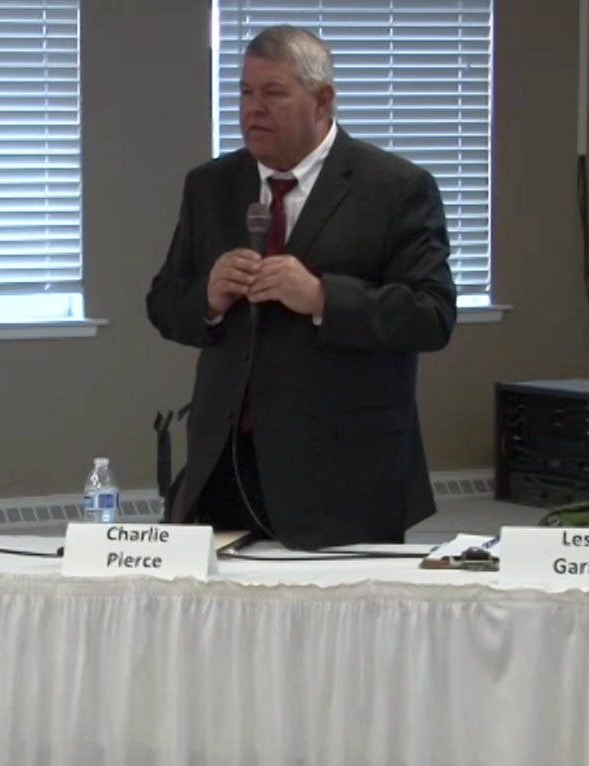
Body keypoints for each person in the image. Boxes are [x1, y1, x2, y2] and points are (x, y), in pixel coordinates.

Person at [146, 25, 456, 549]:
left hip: (344, 472)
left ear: (322, 100)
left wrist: (322, 298)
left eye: (273, 93)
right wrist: (209, 298)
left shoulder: (396, 188)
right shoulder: (211, 186)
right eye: (245, 92)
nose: (253, 109)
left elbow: (432, 315)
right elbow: (163, 305)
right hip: (225, 463)